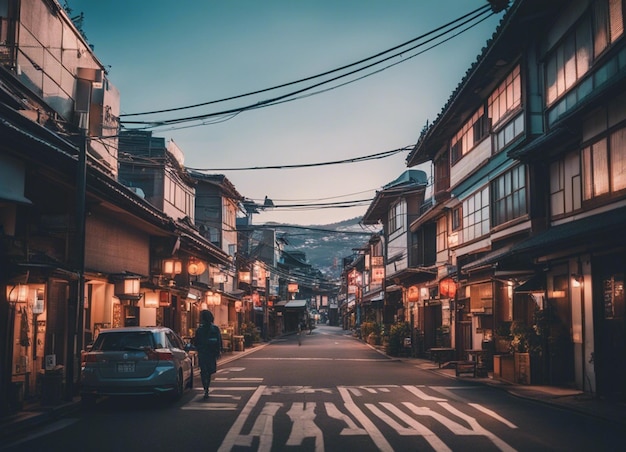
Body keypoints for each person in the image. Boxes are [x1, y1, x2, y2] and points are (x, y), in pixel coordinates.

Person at [194, 310, 222, 399]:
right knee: (208, 371)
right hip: (211, 352)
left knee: (204, 371)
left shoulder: (200, 330)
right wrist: (218, 351)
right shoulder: (214, 328)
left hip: (204, 352)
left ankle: (206, 388)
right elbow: (219, 341)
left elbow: (196, 342)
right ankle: (206, 388)